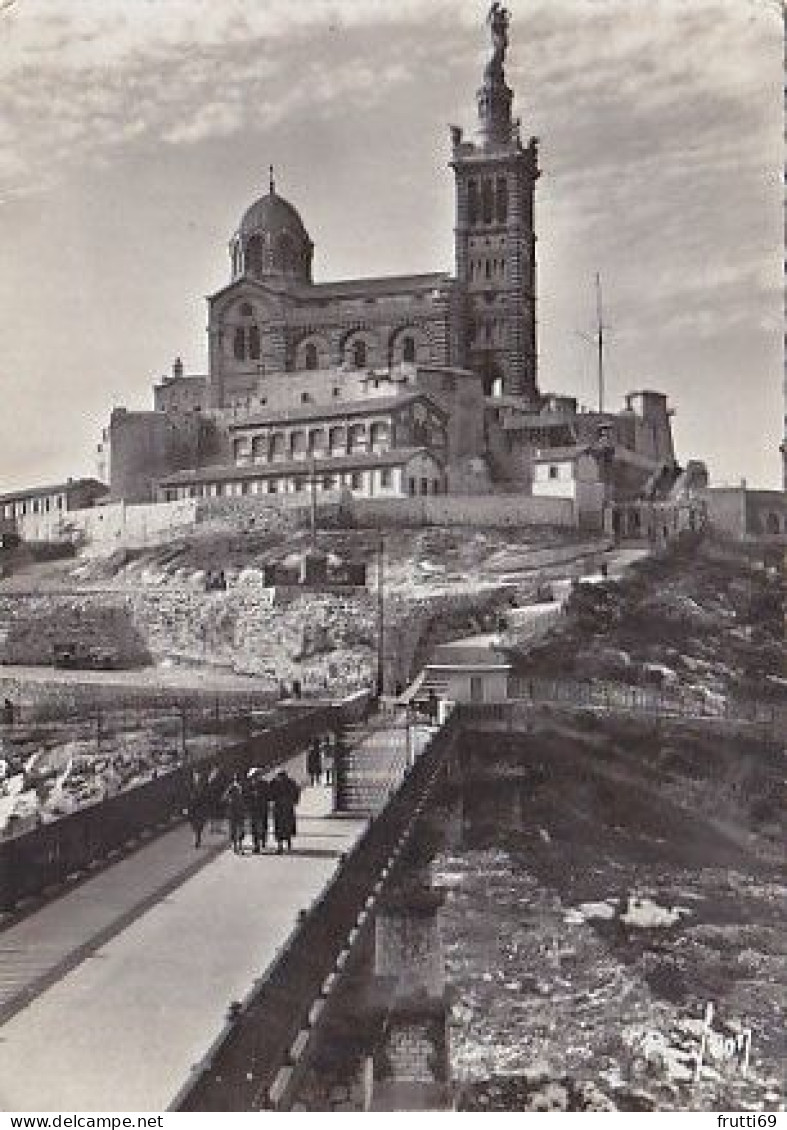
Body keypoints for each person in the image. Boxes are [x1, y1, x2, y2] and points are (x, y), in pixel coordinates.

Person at [271, 769, 300, 854]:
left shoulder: (289, 782)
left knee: (286, 827)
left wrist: (294, 801)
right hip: (281, 808)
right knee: (281, 827)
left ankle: (287, 846)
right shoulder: (275, 783)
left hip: (285, 807)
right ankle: (281, 846)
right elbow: (271, 794)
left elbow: (296, 792)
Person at [247, 771, 271, 854]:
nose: (256, 778)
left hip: (262, 808)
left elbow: (269, 795)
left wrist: (260, 795)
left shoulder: (265, 784)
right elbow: (246, 797)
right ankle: (256, 845)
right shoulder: (249, 786)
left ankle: (263, 843)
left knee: (263, 826)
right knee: (254, 827)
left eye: (257, 776)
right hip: (253, 809)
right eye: (254, 776)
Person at [223, 773, 246, 854]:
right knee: (233, 829)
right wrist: (229, 799)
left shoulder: (243, 787)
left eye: (238, 779)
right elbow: (224, 797)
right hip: (233, 811)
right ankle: (235, 845)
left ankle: (240, 845)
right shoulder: (231, 787)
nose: (237, 781)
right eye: (235, 779)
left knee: (240, 829)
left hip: (240, 811)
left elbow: (246, 798)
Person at [186, 772, 208, 849]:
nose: (197, 777)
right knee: (194, 824)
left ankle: (197, 838)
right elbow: (186, 796)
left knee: (199, 824)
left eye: (198, 776)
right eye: (195, 776)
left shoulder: (203, 785)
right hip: (192, 808)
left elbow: (205, 795)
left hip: (200, 808)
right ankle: (197, 837)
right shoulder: (189, 784)